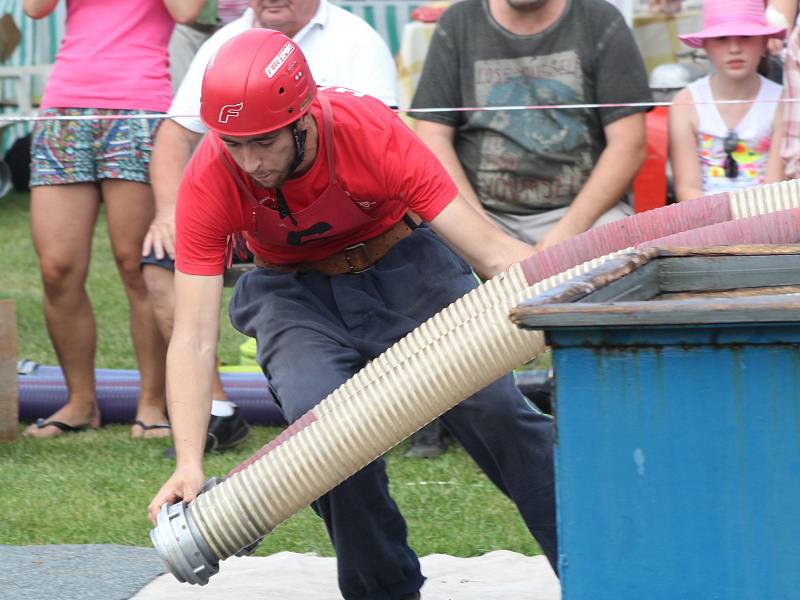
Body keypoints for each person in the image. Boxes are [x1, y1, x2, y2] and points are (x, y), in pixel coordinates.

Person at [148, 29, 557, 600]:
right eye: (233, 143)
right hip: (293, 292)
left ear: (302, 118)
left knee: (495, 409)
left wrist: (564, 307)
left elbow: (489, 251)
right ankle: (384, 593)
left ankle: (601, 567)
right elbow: (191, 337)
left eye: (262, 142)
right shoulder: (213, 173)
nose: (249, 162)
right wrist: (189, 462)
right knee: (325, 439)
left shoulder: (369, 130)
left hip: (408, 267)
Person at [142, 0, 399, 457]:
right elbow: (174, 133)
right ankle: (216, 412)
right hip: (248, 215)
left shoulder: (356, 38)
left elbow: (382, 140)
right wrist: (167, 211)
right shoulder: (223, 44)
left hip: (345, 222)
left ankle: (406, 398)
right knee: (162, 260)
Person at [21, 0, 204, 439]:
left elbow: (186, 11)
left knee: (137, 264)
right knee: (57, 268)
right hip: (64, 106)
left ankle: (152, 404)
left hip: (138, 106)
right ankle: (80, 402)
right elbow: (33, 9)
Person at [409, 0, 650, 251]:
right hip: (481, 213)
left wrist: (565, 233)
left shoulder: (600, 19)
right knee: (430, 259)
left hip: (585, 214)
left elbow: (629, 145)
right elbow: (432, 136)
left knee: (620, 257)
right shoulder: (458, 21)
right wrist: (484, 234)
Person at [669, 0, 786, 202]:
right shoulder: (685, 103)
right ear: (705, 46)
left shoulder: (783, 102)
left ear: (764, 42)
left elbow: (774, 188)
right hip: (702, 220)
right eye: (721, 38)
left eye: (746, 37)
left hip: (766, 218)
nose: (734, 48)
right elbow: (687, 189)